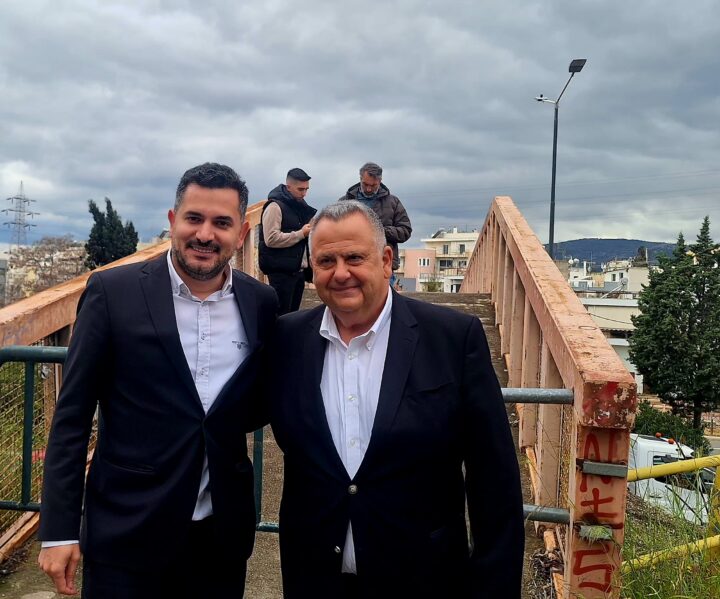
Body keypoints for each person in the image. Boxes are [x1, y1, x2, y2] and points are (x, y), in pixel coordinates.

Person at [37, 163, 278, 599]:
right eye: (193, 218)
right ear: (172, 220)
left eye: (221, 223)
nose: (205, 234)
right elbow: (72, 417)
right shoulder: (113, 292)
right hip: (126, 532)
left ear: (242, 233)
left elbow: (255, 401)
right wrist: (59, 530)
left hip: (220, 538)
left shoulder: (260, 301)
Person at [269, 201, 524, 598]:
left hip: (424, 579)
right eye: (326, 261)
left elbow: (495, 481)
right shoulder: (286, 338)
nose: (340, 273)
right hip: (314, 578)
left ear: (387, 260)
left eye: (355, 258)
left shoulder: (452, 339)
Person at [339, 162, 411, 286]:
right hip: (350, 264)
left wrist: (380, 230)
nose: (368, 189)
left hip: (382, 265)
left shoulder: (393, 202)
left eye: (373, 185)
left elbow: (405, 231)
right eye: (365, 184)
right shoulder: (344, 202)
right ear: (360, 178)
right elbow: (334, 230)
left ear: (380, 181)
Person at [259, 167, 317, 314]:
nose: (304, 193)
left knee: (292, 316)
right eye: (300, 189)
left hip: (297, 271)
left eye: (306, 189)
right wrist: (301, 234)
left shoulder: (298, 206)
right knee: (280, 316)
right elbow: (271, 239)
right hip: (281, 272)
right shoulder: (274, 206)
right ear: (288, 187)